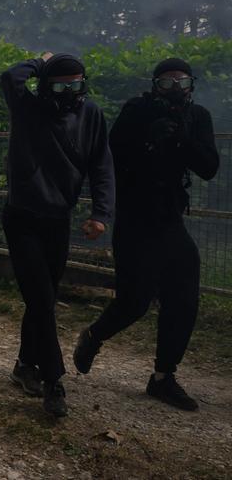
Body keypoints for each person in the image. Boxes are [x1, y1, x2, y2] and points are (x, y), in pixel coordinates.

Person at [73, 58, 219, 411]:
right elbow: (109, 158)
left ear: (190, 84)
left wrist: (183, 139)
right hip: (135, 218)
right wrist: (147, 140)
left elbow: (209, 168)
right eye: (166, 83)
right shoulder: (137, 110)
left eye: (180, 82)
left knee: (183, 299)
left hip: (170, 220)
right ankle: (93, 336)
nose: (174, 89)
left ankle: (163, 378)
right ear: (155, 84)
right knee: (134, 301)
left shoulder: (197, 117)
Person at [0, 52, 115, 417]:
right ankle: (54, 382)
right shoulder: (26, 107)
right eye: (61, 84)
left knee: (41, 299)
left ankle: (24, 366)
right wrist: (37, 60)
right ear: (45, 84)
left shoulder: (91, 114)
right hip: (22, 218)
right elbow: (9, 77)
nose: (70, 91)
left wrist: (101, 213)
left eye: (76, 84)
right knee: (42, 299)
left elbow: (101, 164)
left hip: (57, 220)